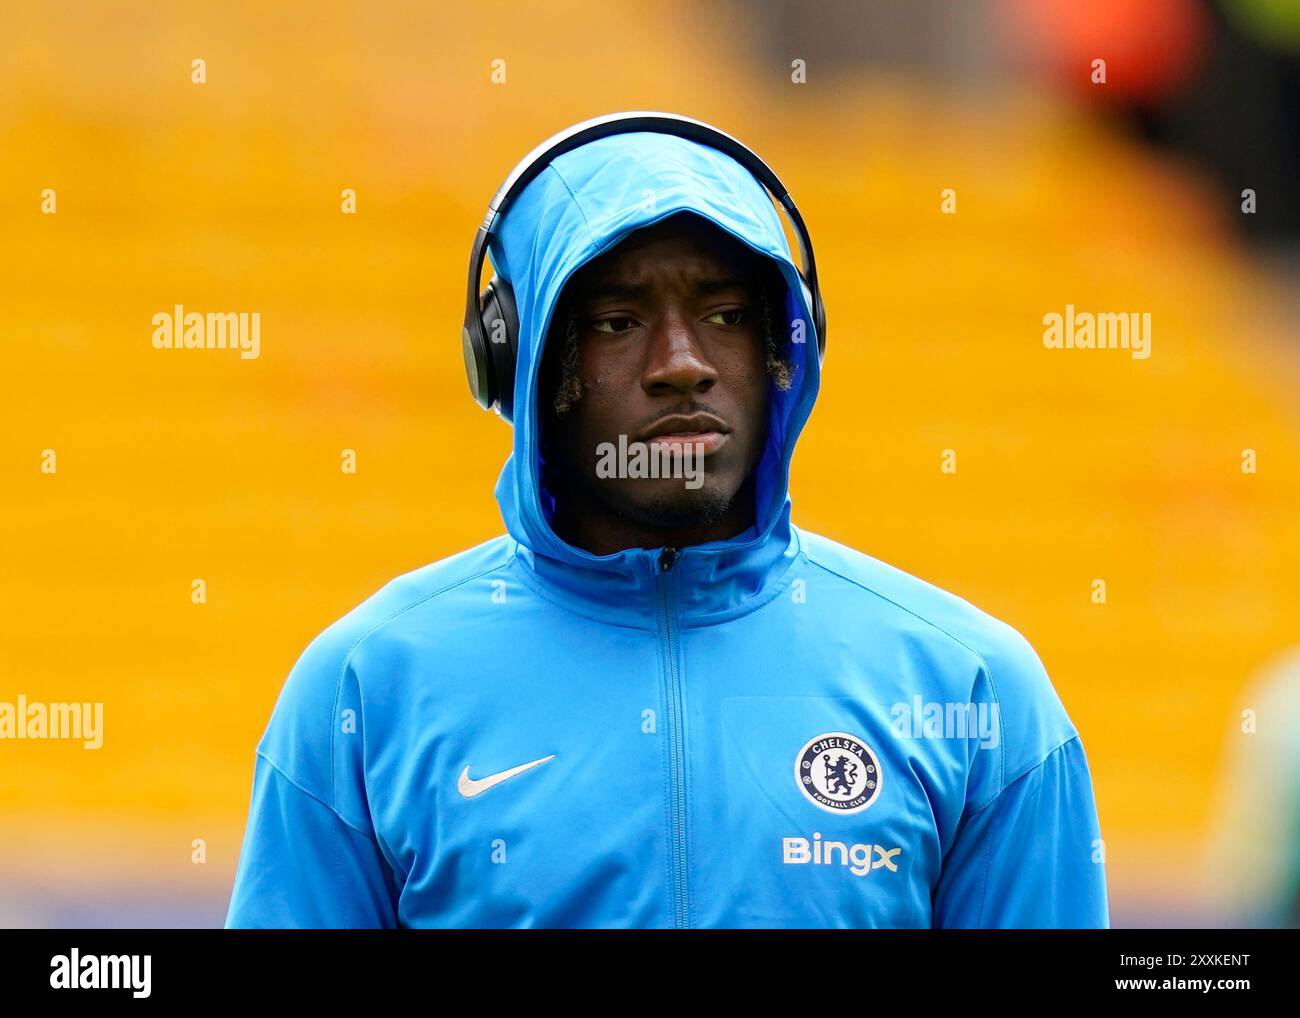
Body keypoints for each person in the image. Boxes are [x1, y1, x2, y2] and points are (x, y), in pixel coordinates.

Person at [225, 112, 1109, 928]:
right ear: (517, 359)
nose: (681, 365)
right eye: (616, 321)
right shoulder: (364, 692)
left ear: (784, 352)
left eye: (725, 316)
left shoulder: (975, 690)